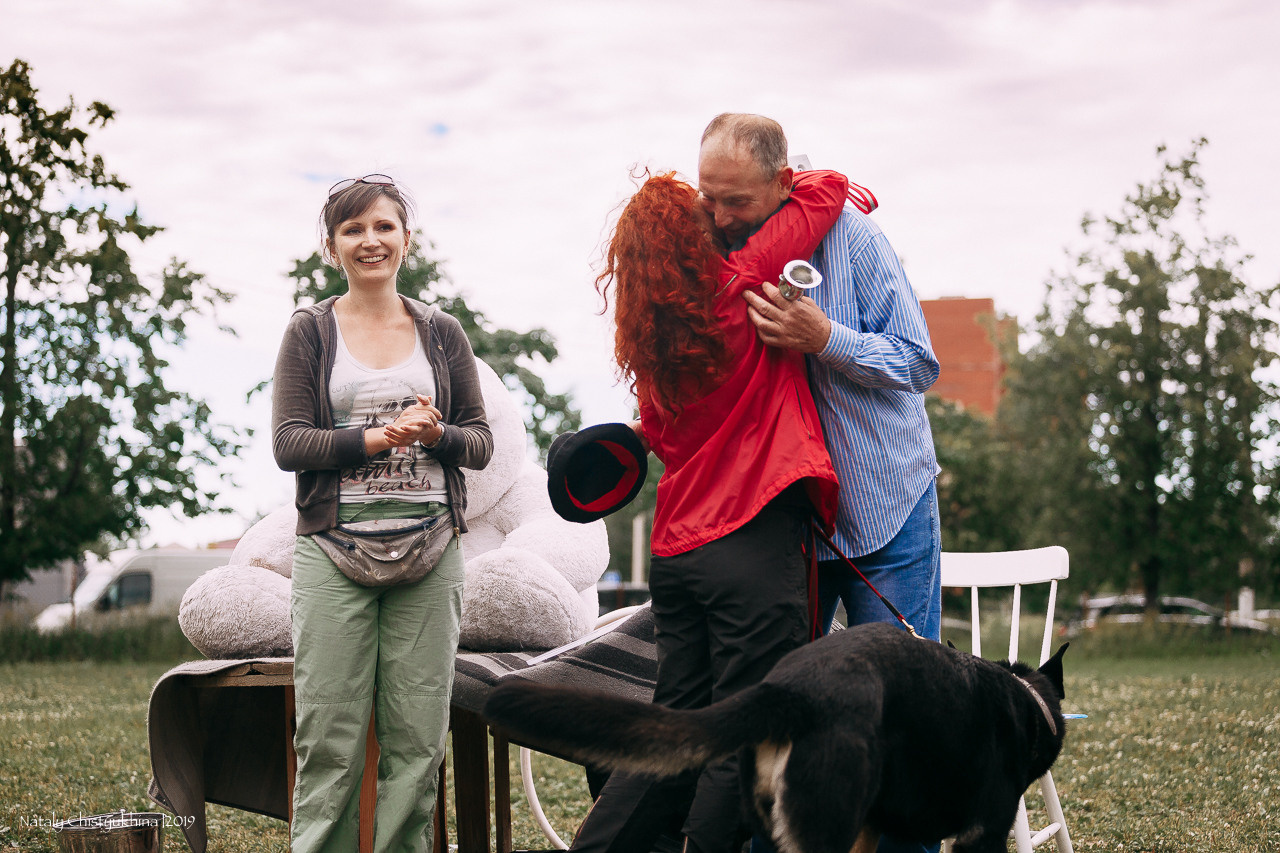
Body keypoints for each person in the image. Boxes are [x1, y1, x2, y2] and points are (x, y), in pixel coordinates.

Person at [571, 164, 852, 853]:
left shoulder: (649, 346)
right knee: (741, 732)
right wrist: (780, 182)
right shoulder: (743, 281)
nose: (721, 219)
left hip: (678, 553)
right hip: (752, 545)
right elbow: (829, 189)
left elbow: (661, 438)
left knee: (674, 728)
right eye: (707, 212)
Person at [703, 114, 941, 853]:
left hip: (883, 512)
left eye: (735, 202)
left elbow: (918, 361)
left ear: (782, 183)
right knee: (789, 718)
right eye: (709, 197)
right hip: (789, 526)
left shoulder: (854, 238)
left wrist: (826, 338)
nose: (720, 217)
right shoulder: (715, 242)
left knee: (903, 718)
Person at [272, 173, 492, 852]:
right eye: (353, 228)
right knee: (329, 740)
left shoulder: (442, 332)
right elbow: (290, 443)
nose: (371, 240)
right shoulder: (309, 331)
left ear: (405, 237)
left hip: (430, 551)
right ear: (331, 245)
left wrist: (435, 436)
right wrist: (377, 437)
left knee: (418, 742)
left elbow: (479, 442)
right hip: (332, 551)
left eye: (383, 226)